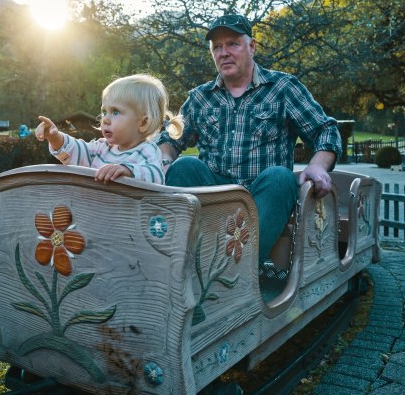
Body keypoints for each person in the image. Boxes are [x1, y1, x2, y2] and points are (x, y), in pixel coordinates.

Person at [158, 14, 342, 278]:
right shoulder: (199, 97)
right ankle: (182, 265)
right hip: (214, 196)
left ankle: (233, 275)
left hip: (263, 198)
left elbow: (325, 129)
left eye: (232, 44)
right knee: (184, 165)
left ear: (252, 46)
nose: (224, 53)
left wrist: (318, 166)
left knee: (280, 177)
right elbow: (170, 139)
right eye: (217, 47)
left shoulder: (283, 87)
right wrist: (165, 158)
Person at [36, 74, 184, 184]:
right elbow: (77, 151)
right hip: (98, 217)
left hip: (128, 221)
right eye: (104, 111)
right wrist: (55, 138)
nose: (105, 119)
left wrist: (128, 170)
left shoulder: (147, 151)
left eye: (115, 112)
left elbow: (156, 176)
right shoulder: (101, 148)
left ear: (143, 122)